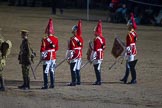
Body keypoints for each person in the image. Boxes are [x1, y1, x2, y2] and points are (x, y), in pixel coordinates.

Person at [40, 18, 58, 89]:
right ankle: (52, 84)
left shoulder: (44, 39)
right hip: (53, 56)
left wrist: (42, 57)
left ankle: (46, 85)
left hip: (47, 57)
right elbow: (56, 48)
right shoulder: (56, 39)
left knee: (45, 71)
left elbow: (42, 49)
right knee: (52, 70)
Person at [120, 13, 138, 84]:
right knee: (128, 64)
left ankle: (134, 79)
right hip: (132, 48)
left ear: (131, 26)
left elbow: (128, 45)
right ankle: (125, 78)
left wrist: (125, 53)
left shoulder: (129, 34)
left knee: (131, 65)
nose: (127, 26)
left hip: (130, 50)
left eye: (128, 25)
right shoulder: (134, 33)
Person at [66, 20, 83, 86]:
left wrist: (69, 57)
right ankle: (78, 81)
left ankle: (73, 82)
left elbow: (71, 49)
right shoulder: (81, 38)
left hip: (74, 54)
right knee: (77, 68)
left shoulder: (72, 39)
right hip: (79, 54)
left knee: (73, 69)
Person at [89, 20, 106, 85]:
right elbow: (104, 47)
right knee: (98, 68)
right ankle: (99, 80)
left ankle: (98, 81)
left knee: (96, 68)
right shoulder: (103, 38)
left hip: (97, 55)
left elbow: (95, 49)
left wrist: (91, 57)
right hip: (101, 54)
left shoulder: (96, 39)